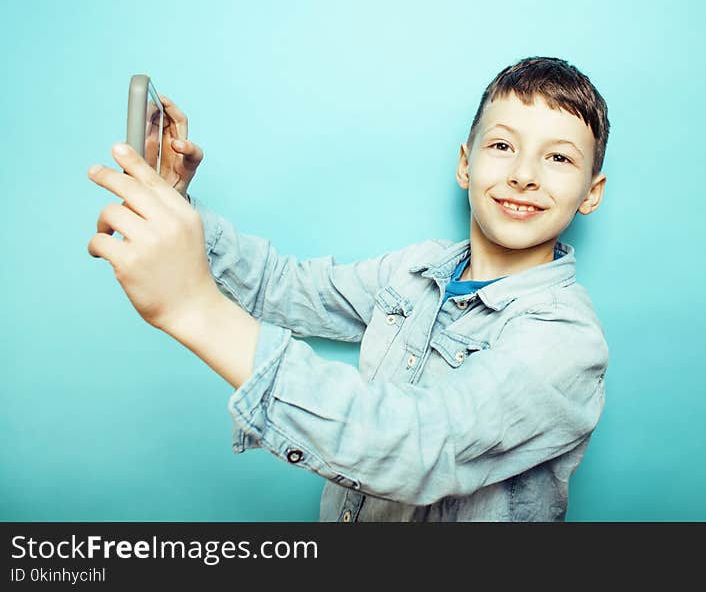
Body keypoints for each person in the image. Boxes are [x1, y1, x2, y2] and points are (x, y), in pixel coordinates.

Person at [87, 55, 610, 521]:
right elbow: (284, 286)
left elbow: (414, 446)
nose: (523, 174)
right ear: (465, 164)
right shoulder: (415, 270)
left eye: (559, 158)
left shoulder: (566, 340)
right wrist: (178, 205)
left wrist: (193, 309)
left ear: (591, 193)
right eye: (502, 145)